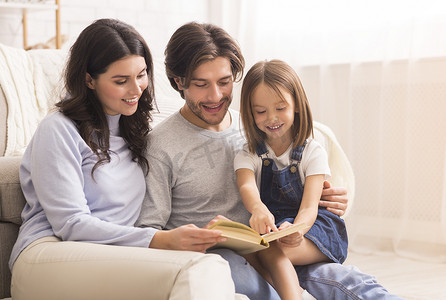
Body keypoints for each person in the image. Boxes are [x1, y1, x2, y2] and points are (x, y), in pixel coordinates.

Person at [137, 21, 403, 299]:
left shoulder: (256, 126)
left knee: (355, 284)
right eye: (201, 84)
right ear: (179, 82)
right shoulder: (160, 145)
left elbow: (301, 173)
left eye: (224, 82)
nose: (215, 96)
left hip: (280, 243)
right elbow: (148, 231)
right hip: (221, 257)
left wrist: (327, 197)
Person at [8, 18, 245, 300]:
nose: (136, 90)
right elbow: (71, 225)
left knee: (227, 290)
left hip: (115, 257)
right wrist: (158, 239)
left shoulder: (134, 131)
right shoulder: (58, 129)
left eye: (141, 75)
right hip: (50, 254)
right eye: (121, 81)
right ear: (89, 80)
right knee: (203, 269)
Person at [235, 59, 348, 299]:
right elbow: (246, 185)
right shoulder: (248, 154)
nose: (272, 118)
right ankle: (298, 292)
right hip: (276, 230)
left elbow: (309, 207)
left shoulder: (312, 151)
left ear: (296, 105)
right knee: (247, 252)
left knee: (269, 249)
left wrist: (298, 229)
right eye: (261, 111)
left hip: (315, 229)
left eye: (280, 108)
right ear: (250, 112)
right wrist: (257, 210)